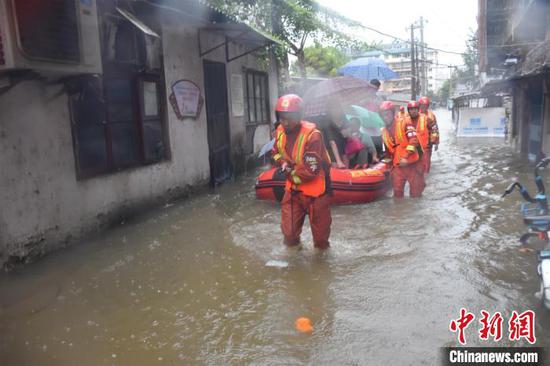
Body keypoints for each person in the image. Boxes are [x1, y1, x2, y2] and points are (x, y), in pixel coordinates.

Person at [271, 94, 332, 250]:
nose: (285, 122)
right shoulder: (279, 131)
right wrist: (282, 162)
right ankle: (295, 264)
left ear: (299, 116)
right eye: (282, 117)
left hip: (316, 193)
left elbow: (310, 171)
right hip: (293, 191)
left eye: (289, 118)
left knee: (320, 241)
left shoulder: (313, 136)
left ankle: (321, 266)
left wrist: (290, 171)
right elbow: (276, 152)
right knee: (289, 235)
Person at [379, 101, 425, 198]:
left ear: (392, 113)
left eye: (387, 114)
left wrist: (405, 157)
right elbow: (387, 152)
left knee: (416, 194)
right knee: (397, 195)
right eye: (383, 115)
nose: (385, 117)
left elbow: (414, 140)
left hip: (412, 164)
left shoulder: (404, 123)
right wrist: (387, 166)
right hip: (397, 166)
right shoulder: (383, 132)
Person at [322, 101, 349, 169]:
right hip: (332, 153)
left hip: (343, 151)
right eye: (333, 108)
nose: (336, 110)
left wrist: (347, 132)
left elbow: (347, 136)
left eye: (338, 107)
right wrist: (338, 161)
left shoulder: (343, 119)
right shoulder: (326, 122)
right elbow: (332, 142)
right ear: (329, 110)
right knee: (336, 172)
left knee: (347, 173)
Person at [418, 96, 440, 173]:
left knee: (426, 163)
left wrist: (436, 142)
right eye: (422, 105)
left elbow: (435, 129)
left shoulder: (431, 116)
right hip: (416, 144)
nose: (423, 107)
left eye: (425, 106)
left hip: (427, 144)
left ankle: (426, 176)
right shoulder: (414, 114)